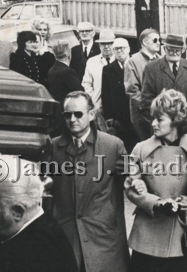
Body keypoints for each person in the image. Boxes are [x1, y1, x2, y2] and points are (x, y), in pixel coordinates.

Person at [50, 91, 129, 272]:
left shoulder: (112, 146)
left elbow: (132, 179)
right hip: (66, 236)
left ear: (91, 114)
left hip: (103, 238)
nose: (72, 119)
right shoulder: (54, 147)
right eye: (67, 114)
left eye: (78, 114)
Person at [125, 89, 187, 272]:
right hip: (147, 234)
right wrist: (154, 202)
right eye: (153, 118)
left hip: (178, 235)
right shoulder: (141, 149)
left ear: (176, 120)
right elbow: (129, 186)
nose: (154, 124)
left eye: (160, 119)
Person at [140, 34, 187, 127]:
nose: (174, 53)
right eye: (171, 50)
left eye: (178, 50)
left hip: (186, 124)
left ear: (182, 50)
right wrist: (161, 117)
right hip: (162, 124)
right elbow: (146, 100)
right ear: (164, 49)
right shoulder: (151, 68)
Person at [124, 28, 161, 141]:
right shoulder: (133, 61)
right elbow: (132, 90)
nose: (159, 43)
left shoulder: (161, 60)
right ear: (144, 42)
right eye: (155, 40)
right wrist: (148, 107)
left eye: (159, 40)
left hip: (160, 113)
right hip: (143, 116)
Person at [102, 38, 137, 153]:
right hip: (118, 118)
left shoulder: (135, 65)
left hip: (134, 115)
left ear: (128, 49)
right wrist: (109, 117)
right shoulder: (107, 69)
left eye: (122, 48)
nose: (119, 51)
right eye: (116, 49)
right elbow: (105, 94)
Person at [82, 29, 115, 111]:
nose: (106, 46)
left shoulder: (119, 61)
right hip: (98, 107)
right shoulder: (92, 62)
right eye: (103, 44)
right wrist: (93, 99)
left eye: (109, 43)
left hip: (117, 108)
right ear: (99, 45)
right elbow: (86, 84)